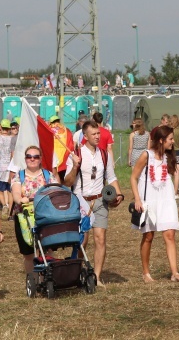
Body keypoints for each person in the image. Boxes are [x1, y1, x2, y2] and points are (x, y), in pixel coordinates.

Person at [64, 120, 125, 287]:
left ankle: (96, 277)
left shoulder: (104, 154)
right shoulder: (77, 154)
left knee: (101, 239)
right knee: (82, 240)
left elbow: (111, 177)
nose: (98, 136)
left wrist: (118, 193)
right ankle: (76, 274)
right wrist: (75, 166)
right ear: (85, 136)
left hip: (100, 200)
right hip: (80, 200)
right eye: (94, 134)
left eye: (98, 133)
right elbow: (67, 182)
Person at [130, 126, 179, 283]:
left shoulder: (169, 156)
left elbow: (173, 174)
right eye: (170, 139)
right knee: (148, 236)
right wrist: (137, 199)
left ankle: (175, 272)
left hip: (166, 198)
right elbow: (133, 177)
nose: (173, 142)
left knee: (170, 234)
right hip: (149, 199)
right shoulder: (146, 155)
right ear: (161, 140)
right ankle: (146, 273)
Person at [10, 146, 58, 273]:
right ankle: (32, 279)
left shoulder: (48, 176)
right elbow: (15, 193)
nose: (32, 159)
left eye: (36, 157)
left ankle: (48, 277)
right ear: (25, 159)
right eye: (29, 156)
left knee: (47, 250)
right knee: (28, 253)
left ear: (40, 159)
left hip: (45, 218)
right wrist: (20, 199)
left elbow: (56, 193)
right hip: (24, 218)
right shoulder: (18, 176)